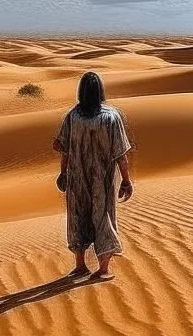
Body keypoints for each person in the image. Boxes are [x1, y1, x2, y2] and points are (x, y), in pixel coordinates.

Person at [53, 71, 133, 280]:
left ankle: (80, 265)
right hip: (102, 180)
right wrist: (126, 179)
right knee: (103, 216)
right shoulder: (112, 117)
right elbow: (120, 154)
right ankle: (103, 269)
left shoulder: (73, 116)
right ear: (100, 92)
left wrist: (63, 174)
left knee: (77, 217)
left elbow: (64, 150)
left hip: (77, 178)